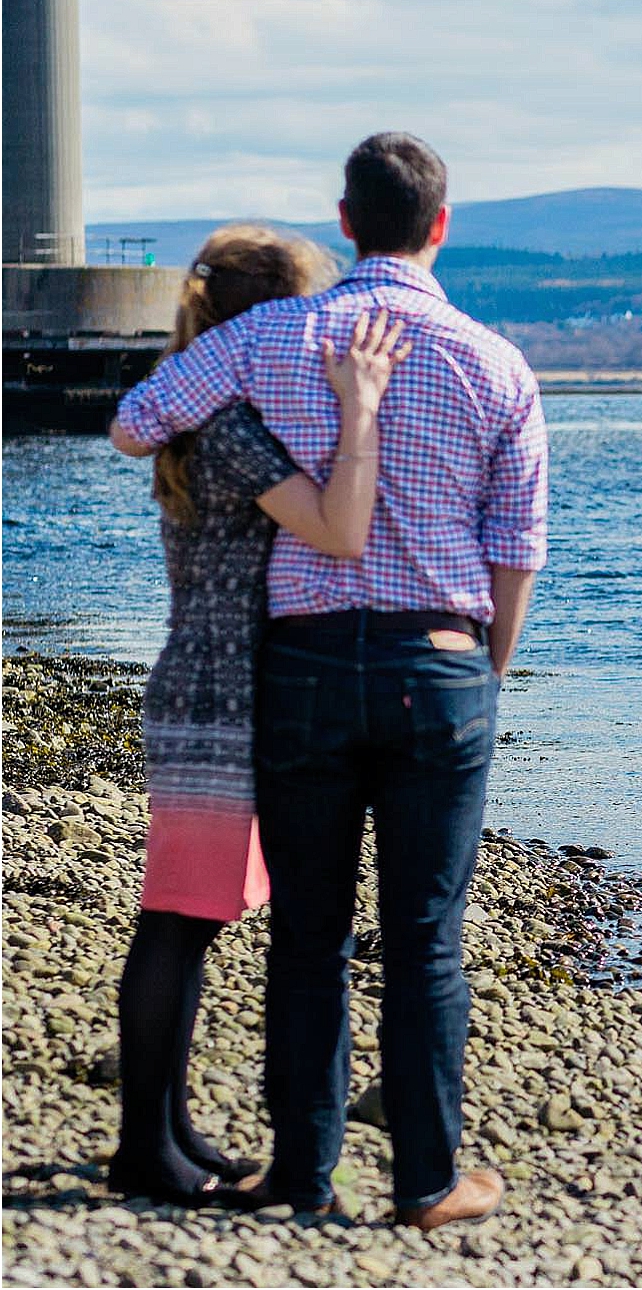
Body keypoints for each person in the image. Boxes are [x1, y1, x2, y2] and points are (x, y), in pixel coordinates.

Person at [110, 131, 548, 1230]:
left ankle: (303, 1174)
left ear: (344, 223)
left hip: (301, 663)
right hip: (438, 662)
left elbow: (131, 423)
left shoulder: (265, 334)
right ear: (441, 225)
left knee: (310, 935)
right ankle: (426, 1180)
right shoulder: (498, 364)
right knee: (426, 939)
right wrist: (483, 678)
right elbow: (517, 546)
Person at [110, 225, 411, 1207]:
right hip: (218, 695)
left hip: (207, 684)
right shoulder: (234, 429)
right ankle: (141, 1148)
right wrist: (360, 418)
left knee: (189, 920)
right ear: (268, 323)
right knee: (176, 921)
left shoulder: (204, 413)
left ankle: (169, 1124)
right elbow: (330, 526)